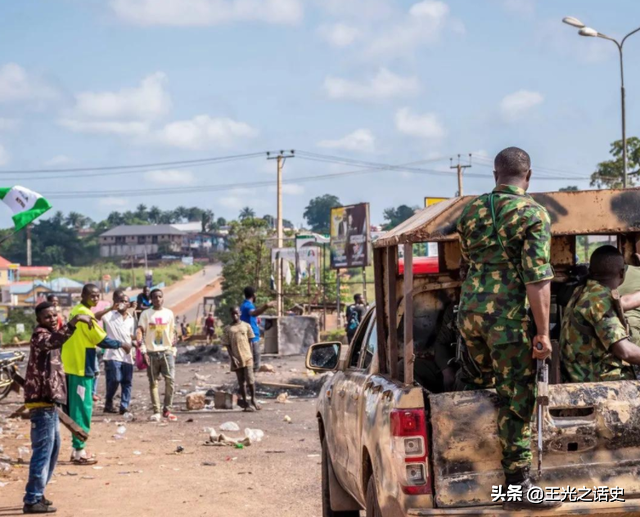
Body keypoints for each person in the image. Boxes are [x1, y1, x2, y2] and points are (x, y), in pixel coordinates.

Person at [456, 147, 559, 510]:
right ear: (528, 175)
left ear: (495, 174)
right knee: (517, 397)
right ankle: (519, 487)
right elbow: (537, 279)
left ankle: (472, 463)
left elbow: (467, 261)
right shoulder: (533, 213)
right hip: (506, 319)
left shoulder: (470, 210)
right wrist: (543, 334)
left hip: (470, 313)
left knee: (485, 385)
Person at [22, 302, 93, 514]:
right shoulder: (40, 336)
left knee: (53, 450)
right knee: (43, 452)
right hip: (41, 403)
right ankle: (32, 498)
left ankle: (39, 493)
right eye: (47, 317)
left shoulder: (51, 334)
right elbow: (55, 340)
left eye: (54, 316)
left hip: (50, 403)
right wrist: (76, 321)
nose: (52, 319)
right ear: (39, 321)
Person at [61, 284, 129, 466]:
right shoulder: (85, 314)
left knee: (76, 407)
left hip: (73, 364)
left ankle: (76, 449)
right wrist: (122, 344)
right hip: (81, 366)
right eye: (92, 295)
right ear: (83, 295)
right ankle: (80, 451)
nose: (95, 298)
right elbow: (101, 339)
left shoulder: (78, 310)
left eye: (98, 296)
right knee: (82, 409)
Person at [561, 246, 640, 382]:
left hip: (580, 371)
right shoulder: (600, 300)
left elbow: (623, 303)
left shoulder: (584, 290)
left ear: (591, 271)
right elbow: (625, 351)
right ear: (622, 273)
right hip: (598, 383)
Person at [136, 289, 178, 422]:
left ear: (163, 298)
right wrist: (143, 350)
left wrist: (173, 348)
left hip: (166, 351)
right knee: (153, 382)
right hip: (152, 352)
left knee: (170, 380)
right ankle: (157, 410)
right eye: (154, 297)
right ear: (151, 299)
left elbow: (173, 331)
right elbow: (140, 332)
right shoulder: (146, 314)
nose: (157, 299)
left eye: (159, 297)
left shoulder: (169, 313)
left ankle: (167, 408)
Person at [102, 290, 136, 415]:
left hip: (127, 355)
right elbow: (96, 316)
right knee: (116, 379)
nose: (123, 303)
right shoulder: (110, 315)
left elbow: (130, 335)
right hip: (113, 353)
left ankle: (124, 406)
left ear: (129, 304)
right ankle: (109, 400)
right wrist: (111, 307)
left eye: (126, 301)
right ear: (116, 303)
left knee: (127, 381)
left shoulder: (131, 319)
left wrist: (136, 341)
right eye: (121, 301)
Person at [221, 307, 260, 411]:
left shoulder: (246, 326)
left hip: (247, 357)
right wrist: (232, 357)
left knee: (250, 380)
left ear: (240, 313)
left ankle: (253, 399)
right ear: (231, 315)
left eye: (236, 313)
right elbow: (227, 345)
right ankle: (246, 403)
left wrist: (251, 354)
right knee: (241, 382)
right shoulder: (228, 329)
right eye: (233, 314)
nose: (235, 316)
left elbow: (251, 341)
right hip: (236, 359)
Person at [240, 287, 274, 372]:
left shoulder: (243, 305)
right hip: (252, 336)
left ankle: (249, 376)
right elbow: (253, 313)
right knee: (255, 358)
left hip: (246, 334)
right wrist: (266, 306)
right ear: (254, 295)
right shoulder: (248, 305)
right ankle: (253, 378)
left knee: (249, 358)